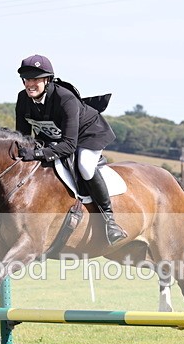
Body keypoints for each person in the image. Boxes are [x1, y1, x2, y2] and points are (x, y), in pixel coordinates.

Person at [14, 54, 127, 245]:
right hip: (55, 138)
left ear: (47, 79)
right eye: (27, 79)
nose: (30, 84)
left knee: (84, 165)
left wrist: (38, 154)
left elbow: (69, 146)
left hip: (87, 135)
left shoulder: (65, 99)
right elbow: (22, 137)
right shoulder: (23, 98)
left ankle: (109, 220)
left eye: (35, 79)